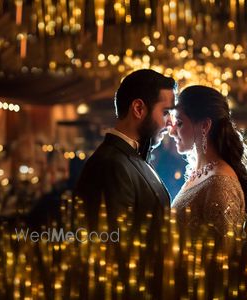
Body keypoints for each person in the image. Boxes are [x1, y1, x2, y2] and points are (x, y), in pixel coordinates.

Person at [74, 69, 176, 298]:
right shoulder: (111, 164)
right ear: (138, 109)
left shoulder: (130, 158)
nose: (170, 124)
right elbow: (112, 256)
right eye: (166, 112)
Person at [169, 85, 247, 242]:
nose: (172, 131)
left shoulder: (220, 183)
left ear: (205, 126)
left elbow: (223, 256)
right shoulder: (201, 173)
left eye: (179, 123)